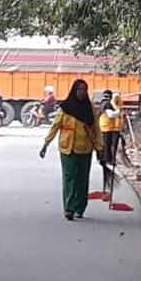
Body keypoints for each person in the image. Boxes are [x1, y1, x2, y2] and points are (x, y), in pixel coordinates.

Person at [39, 79, 102, 221]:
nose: (82, 92)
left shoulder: (90, 109)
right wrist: (46, 144)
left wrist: (100, 147)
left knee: (82, 178)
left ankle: (80, 208)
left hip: (85, 148)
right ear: (74, 91)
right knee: (69, 178)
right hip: (68, 148)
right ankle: (69, 208)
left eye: (84, 90)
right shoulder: (65, 108)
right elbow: (55, 126)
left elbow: (96, 129)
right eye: (79, 89)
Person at [99, 90, 122, 164]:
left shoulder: (102, 103)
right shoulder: (107, 104)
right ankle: (107, 160)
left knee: (105, 144)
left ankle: (104, 158)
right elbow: (111, 115)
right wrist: (118, 112)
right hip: (107, 126)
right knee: (107, 144)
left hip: (104, 125)